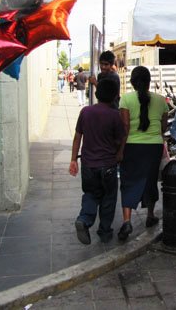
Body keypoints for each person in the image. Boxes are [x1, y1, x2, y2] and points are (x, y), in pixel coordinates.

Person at [69, 78, 125, 244]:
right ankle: (105, 231)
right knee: (108, 198)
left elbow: (77, 137)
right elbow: (120, 139)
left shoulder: (85, 112)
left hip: (88, 165)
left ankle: (84, 220)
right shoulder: (115, 115)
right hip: (108, 165)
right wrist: (119, 153)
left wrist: (73, 160)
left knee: (91, 194)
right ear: (115, 96)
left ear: (97, 93)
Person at [118, 66, 168, 240]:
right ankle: (150, 216)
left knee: (129, 181)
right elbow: (163, 127)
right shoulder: (161, 100)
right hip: (154, 147)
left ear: (132, 82)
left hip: (132, 146)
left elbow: (124, 128)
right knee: (150, 180)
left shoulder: (125, 99)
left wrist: (120, 151)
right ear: (149, 82)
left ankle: (126, 221)